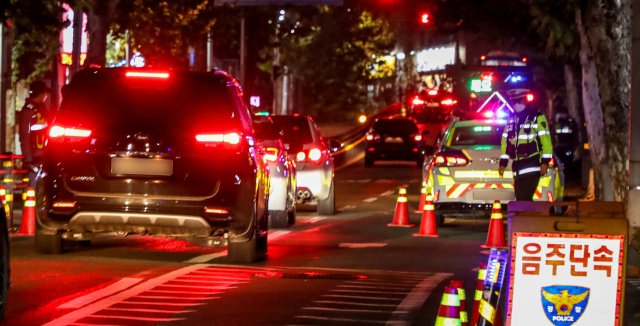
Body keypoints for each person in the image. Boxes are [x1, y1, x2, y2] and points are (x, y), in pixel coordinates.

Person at [498, 92, 553, 201]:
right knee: (520, 199)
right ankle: (525, 217)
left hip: (532, 165)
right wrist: (503, 163)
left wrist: (545, 162)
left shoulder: (537, 117)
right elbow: (505, 143)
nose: (516, 104)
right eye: (514, 102)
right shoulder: (511, 119)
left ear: (526, 101)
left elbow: (546, 141)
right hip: (518, 167)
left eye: (519, 101)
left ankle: (525, 217)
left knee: (524, 199)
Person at [19, 81, 50, 187]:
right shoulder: (29, 111)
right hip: (34, 158)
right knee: (34, 187)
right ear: (41, 94)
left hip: (44, 155)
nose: (46, 96)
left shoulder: (42, 109)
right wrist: (28, 159)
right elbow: (24, 136)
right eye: (45, 93)